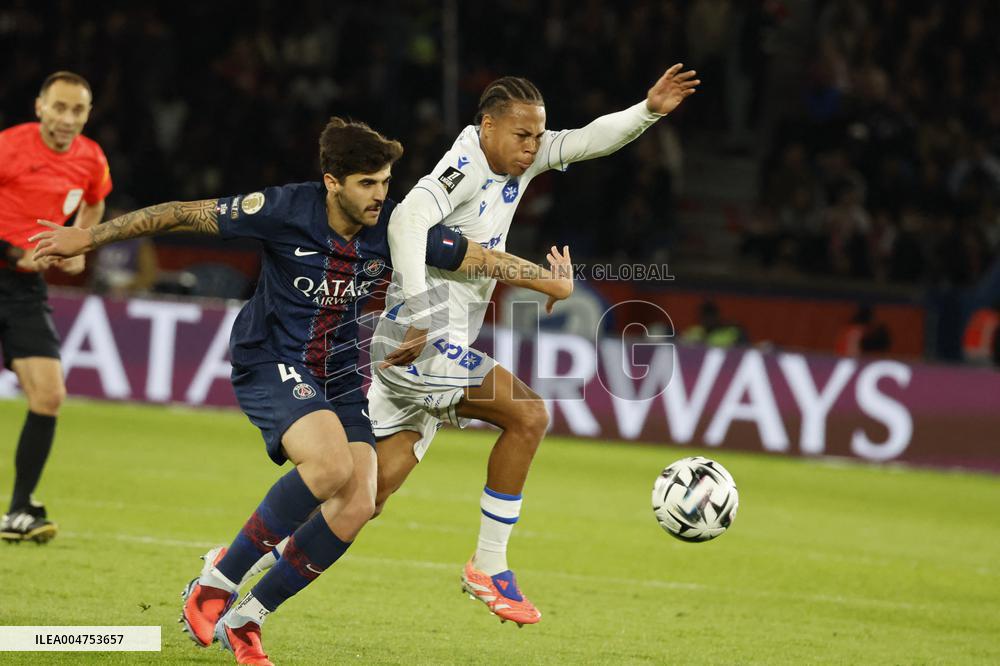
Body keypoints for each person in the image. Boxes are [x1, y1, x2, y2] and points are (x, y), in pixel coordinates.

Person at [31, 117, 573, 665]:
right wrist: (90, 236)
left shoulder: (393, 225)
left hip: (338, 373)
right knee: (331, 467)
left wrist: (544, 279)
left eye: (386, 182)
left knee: (360, 504)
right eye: (367, 183)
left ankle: (247, 619)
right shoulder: (284, 209)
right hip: (272, 357)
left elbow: (474, 255)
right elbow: (181, 213)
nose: (380, 196)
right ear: (332, 182)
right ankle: (216, 583)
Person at [358, 64, 700, 626]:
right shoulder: (464, 165)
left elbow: (588, 140)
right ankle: (489, 565)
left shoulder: (519, 155)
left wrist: (648, 111)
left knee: (362, 498)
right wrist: (421, 315)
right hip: (418, 340)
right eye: (522, 135)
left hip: (433, 344)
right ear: (487, 126)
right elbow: (405, 223)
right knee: (528, 414)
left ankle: (229, 576)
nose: (533, 146)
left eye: (538, 135)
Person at [0, 71, 112, 544]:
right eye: (59, 108)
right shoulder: (9, 147)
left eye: (78, 110)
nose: (68, 119)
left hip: (24, 289)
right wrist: (11, 253)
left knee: (49, 396)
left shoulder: (90, 158)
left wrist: (81, 242)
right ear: (39, 106)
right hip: (9, 264)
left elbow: (94, 202)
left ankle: (19, 511)